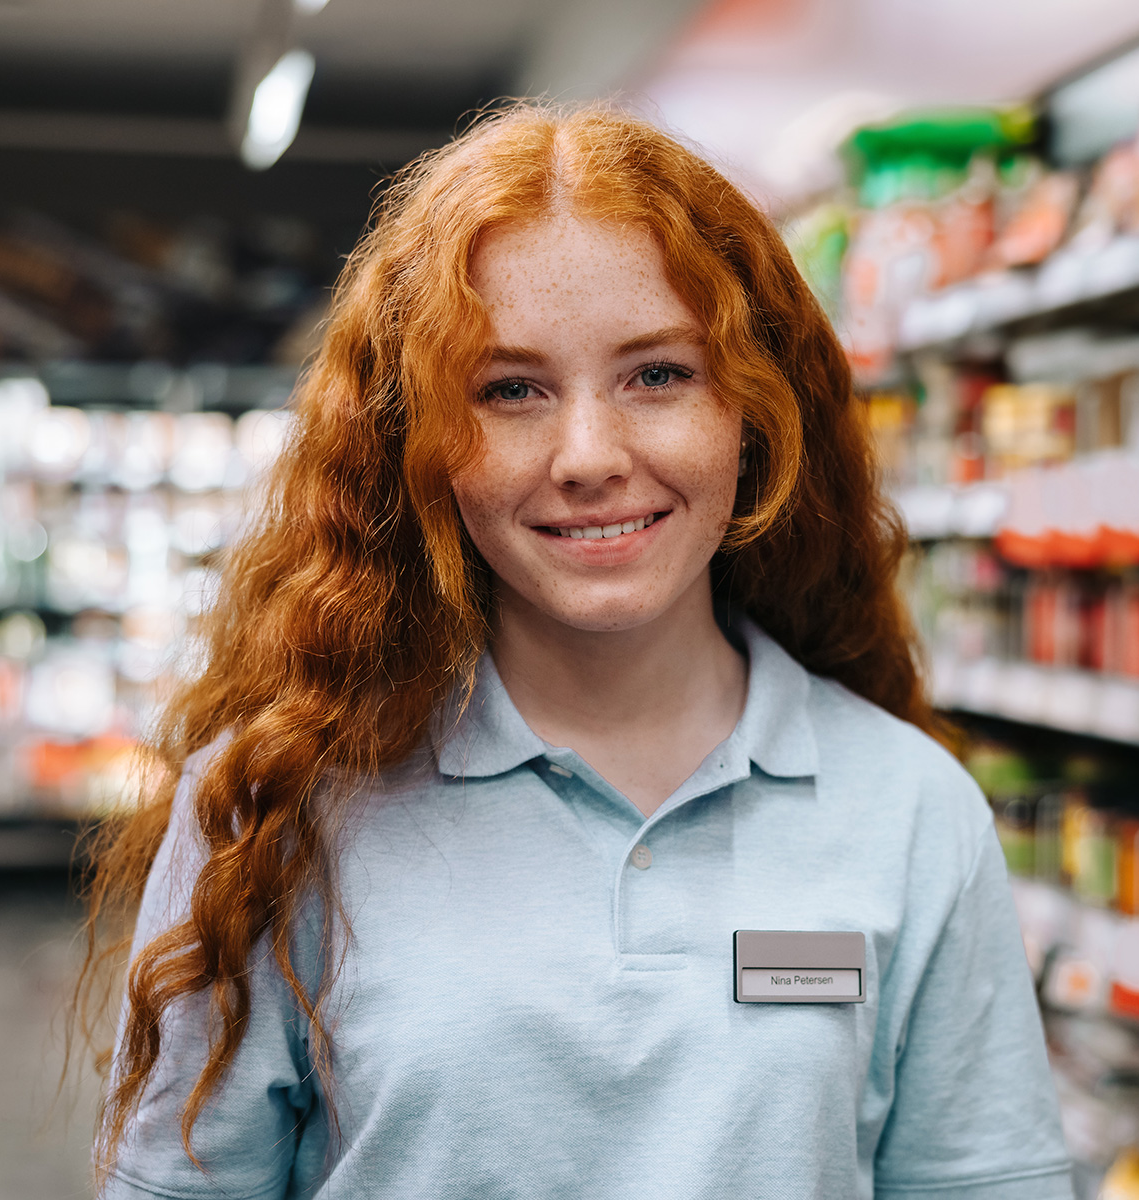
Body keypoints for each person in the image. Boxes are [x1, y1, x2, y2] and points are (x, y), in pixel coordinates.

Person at [83, 103, 1070, 1200]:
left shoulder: (909, 811)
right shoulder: (275, 805)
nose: (588, 456)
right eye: (510, 391)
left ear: (754, 410)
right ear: (416, 444)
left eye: (657, 375)